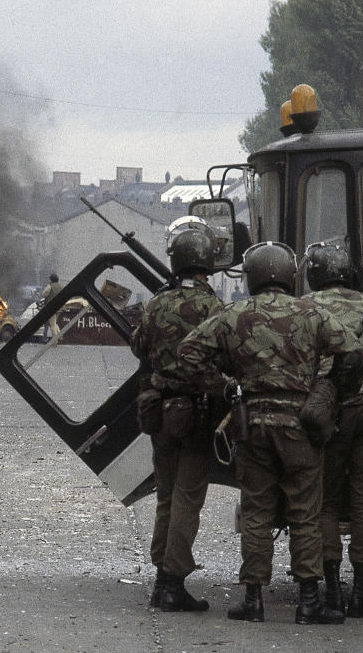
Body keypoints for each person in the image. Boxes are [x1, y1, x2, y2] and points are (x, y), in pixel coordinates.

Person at [176, 241, 363, 625]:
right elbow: (355, 349)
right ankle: (309, 601)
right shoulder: (310, 312)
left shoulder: (234, 314)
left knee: (257, 513)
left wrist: (224, 387)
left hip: (252, 426)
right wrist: (331, 390)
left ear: (252, 278)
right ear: (289, 275)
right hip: (301, 427)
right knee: (305, 512)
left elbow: (188, 352)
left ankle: (253, 600)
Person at [130, 225, 223, 612]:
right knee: (187, 497)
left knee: (166, 496)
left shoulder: (157, 303)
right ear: (206, 265)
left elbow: (139, 346)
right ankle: (173, 581)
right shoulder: (213, 308)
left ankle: (160, 578)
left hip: (159, 412)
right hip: (196, 414)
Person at [304, 243, 363, 618]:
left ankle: (333, 592)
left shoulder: (306, 306)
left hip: (332, 406)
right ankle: (362, 593)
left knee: (329, 502)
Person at [40, 273, 64, 340]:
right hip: (60, 307)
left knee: (52, 324)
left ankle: (55, 340)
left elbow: (44, 294)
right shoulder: (61, 286)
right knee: (54, 322)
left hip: (52, 307)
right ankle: (60, 336)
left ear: (51, 279)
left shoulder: (50, 286)